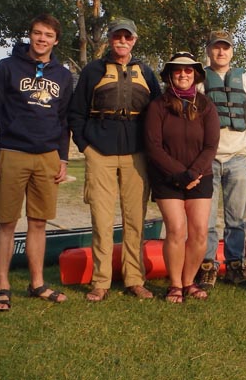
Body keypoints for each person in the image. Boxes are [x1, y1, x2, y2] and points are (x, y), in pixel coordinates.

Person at [0, 13, 73, 311]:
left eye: (48, 35)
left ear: (55, 40)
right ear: (30, 35)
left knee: (38, 222)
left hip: (47, 156)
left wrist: (63, 158)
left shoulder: (62, 74)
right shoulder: (7, 67)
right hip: (12, 151)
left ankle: (37, 284)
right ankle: (2, 287)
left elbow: (64, 120)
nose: (42, 39)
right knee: (7, 221)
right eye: (37, 33)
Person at [69, 17, 162, 301]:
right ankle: (101, 281)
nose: (122, 41)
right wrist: (86, 146)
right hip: (100, 150)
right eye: (117, 37)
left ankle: (134, 278)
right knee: (102, 218)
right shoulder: (92, 71)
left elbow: (157, 113)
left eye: (128, 37)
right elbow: (76, 112)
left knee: (135, 219)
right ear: (110, 40)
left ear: (134, 40)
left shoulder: (146, 72)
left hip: (136, 152)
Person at [144, 52, 220, 303]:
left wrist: (194, 172)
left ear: (196, 75)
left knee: (199, 232)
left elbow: (211, 146)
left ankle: (189, 282)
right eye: (178, 70)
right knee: (176, 230)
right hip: (168, 178)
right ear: (170, 75)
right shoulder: (158, 106)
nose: (183, 74)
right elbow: (153, 146)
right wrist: (179, 174)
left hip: (200, 176)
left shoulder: (207, 106)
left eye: (188, 71)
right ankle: (174, 285)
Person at [198, 30, 246, 289]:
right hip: (208, 159)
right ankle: (208, 266)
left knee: (236, 218)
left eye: (225, 48)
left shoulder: (243, 82)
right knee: (207, 219)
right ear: (209, 51)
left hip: (236, 158)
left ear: (232, 52)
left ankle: (235, 265)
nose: (221, 52)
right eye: (216, 48)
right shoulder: (200, 82)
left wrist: (240, 147)